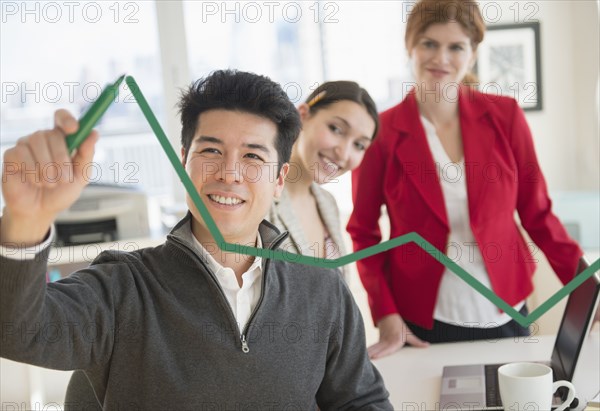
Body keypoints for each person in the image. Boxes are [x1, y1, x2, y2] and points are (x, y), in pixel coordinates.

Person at [0, 70, 392, 409]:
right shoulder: (124, 287)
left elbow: (361, 400)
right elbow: (16, 332)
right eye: (210, 151)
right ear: (184, 161)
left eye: (253, 157)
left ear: (278, 179)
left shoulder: (322, 291)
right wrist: (25, 220)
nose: (229, 172)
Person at [347, 0, 585, 360]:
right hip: (425, 318)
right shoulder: (382, 132)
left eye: (455, 46)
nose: (441, 57)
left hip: (506, 309)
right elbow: (364, 232)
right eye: (429, 43)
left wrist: (586, 290)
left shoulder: (506, 117)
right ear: (410, 47)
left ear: (472, 54)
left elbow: (539, 215)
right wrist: (386, 313)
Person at [268, 81, 378, 281]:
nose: (343, 153)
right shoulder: (259, 197)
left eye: (359, 145)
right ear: (302, 115)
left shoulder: (327, 203)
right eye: (336, 129)